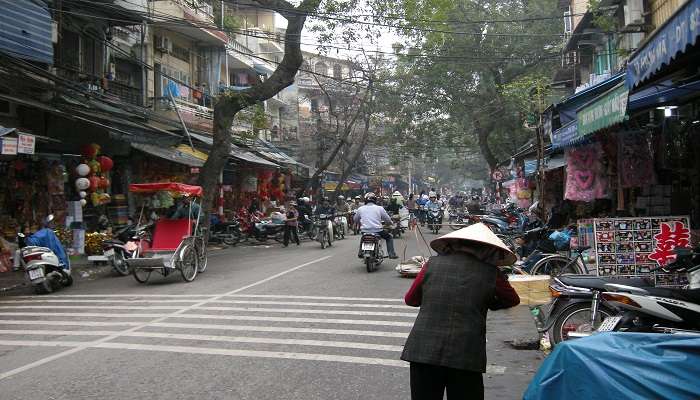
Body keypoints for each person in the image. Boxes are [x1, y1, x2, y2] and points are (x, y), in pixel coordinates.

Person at [401, 223, 520, 400]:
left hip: (423, 350)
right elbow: (512, 299)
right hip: (466, 353)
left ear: (454, 244)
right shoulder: (490, 272)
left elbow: (411, 300)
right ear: (487, 250)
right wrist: (486, 302)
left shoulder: (431, 265)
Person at [353, 192, 398, 259]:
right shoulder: (380, 208)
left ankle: (360, 252)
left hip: (364, 230)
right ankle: (391, 254)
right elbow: (387, 219)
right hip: (378, 230)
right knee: (389, 237)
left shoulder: (360, 209)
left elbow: (355, 219)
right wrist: (391, 223)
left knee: (363, 238)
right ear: (375, 200)